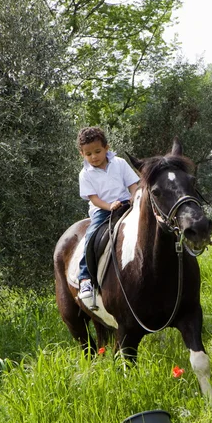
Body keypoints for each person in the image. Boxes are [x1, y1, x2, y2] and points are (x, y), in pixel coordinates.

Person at [77, 126, 139, 300]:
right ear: (82, 154)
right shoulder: (85, 174)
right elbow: (94, 198)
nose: (94, 157)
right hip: (102, 210)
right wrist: (109, 206)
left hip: (127, 203)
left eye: (97, 151)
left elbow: (133, 185)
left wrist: (134, 197)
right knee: (91, 235)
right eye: (88, 154)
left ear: (107, 148)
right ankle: (85, 278)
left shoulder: (119, 163)